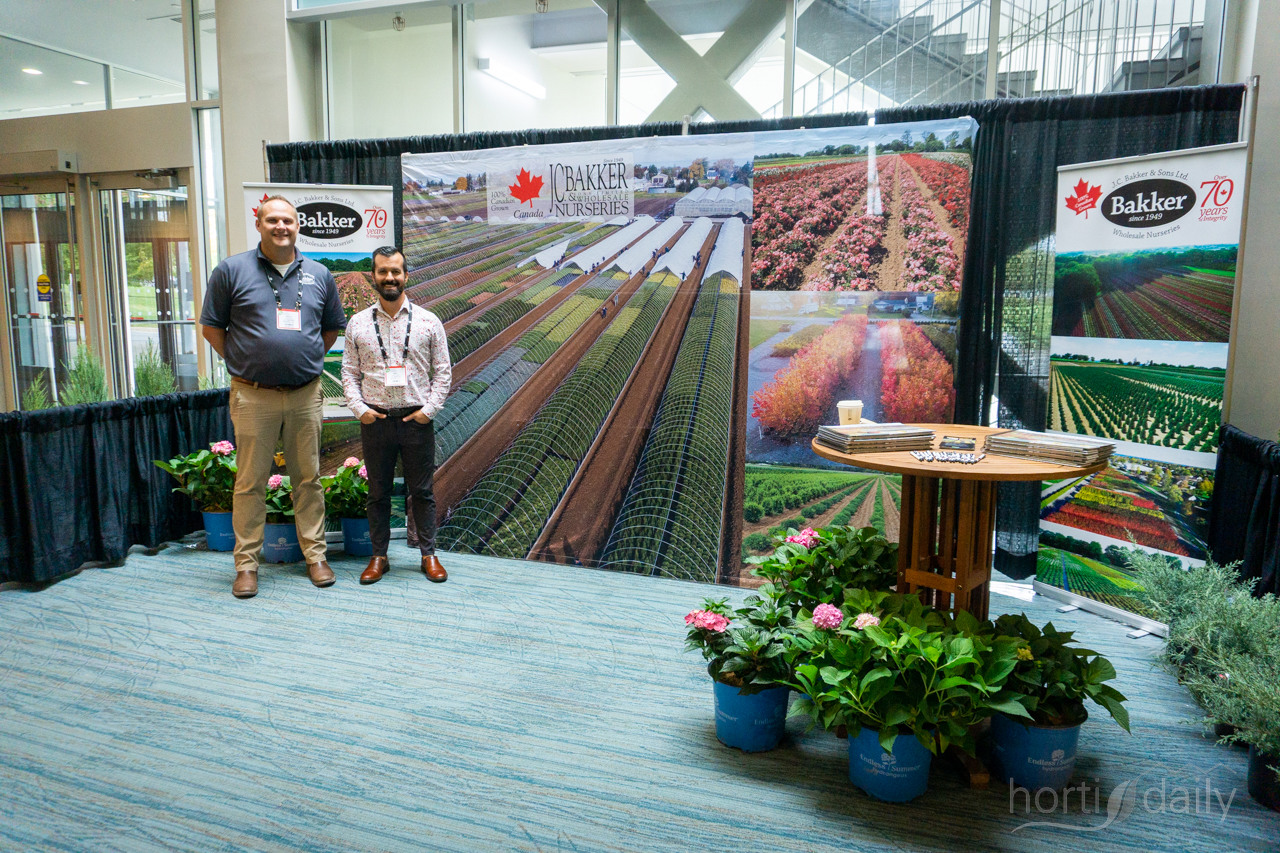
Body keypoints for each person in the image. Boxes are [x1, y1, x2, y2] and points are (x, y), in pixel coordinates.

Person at [200, 196, 347, 599]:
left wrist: (305, 358)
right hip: (254, 396)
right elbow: (212, 328)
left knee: (308, 479)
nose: (281, 226)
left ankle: (316, 556)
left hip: (305, 394)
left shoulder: (319, 274)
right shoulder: (231, 270)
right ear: (259, 224)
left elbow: (330, 329)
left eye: (288, 220)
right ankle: (246, 565)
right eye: (273, 220)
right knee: (250, 482)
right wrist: (242, 361)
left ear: (297, 226)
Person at [341, 246, 452, 585]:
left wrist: (428, 412)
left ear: (406, 276)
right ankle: (379, 556)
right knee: (377, 493)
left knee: (422, 492)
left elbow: (443, 371)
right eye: (383, 271)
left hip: (416, 421)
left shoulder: (429, 321)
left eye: (395, 271)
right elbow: (349, 372)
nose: (389, 277)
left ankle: (428, 554)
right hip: (376, 422)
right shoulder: (358, 323)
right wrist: (360, 410)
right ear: (373, 276)